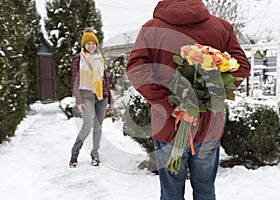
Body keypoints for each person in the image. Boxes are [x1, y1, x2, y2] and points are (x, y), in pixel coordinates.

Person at [126, 0, 251, 199]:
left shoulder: (151, 29)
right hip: (209, 123)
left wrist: (167, 103)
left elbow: (136, 69)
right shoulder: (221, 27)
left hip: (168, 124)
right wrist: (213, 92)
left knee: (171, 193)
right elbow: (242, 65)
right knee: (205, 191)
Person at [69, 28, 113, 168]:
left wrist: (110, 97)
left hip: (101, 95)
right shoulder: (78, 59)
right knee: (87, 126)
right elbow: (75, 80)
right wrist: (79, 100)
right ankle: (74, 154)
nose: (91, 46)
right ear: (84, 45)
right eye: (88, 43)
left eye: (93, 43)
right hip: (86, 95)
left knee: (98, 127)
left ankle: (95, 154)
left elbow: (104, 78)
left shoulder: (99, 58)